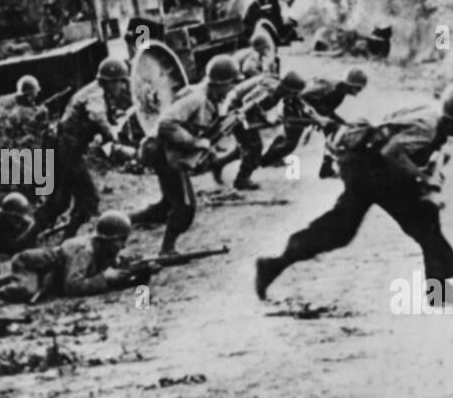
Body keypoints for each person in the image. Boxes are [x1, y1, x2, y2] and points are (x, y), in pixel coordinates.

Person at [253, 84, 453, 302]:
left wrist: (426, 179)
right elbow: (392, 153)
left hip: (369, 165)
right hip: (368, 168)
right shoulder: (427, 127)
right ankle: (273, 265)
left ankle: (439, 287)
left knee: (414, 218)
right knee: (351, 227)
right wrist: (421, 181)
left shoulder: (433, 118)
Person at [130, 54, 240, 254]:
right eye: (231, 84)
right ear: (220, 83)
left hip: (167, 152)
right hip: (165, 153)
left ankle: (127, 220)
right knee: (185, 207)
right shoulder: (196, 99)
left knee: (167, 204)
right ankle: (166, 250)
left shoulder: (211, 97)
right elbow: (166, 124)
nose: (233, 89)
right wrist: (194, 142)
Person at [0, 211, 144, 315]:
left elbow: (104, 263)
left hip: (41, 270)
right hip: (29, 264)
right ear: (107, 239)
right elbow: (73, 286)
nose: (123, 245)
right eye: (120, 240)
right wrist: (104, 279)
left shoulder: (100, 248)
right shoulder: (85, 251)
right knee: (25, 289)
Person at [33, 58, 130, 239]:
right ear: (110, 81)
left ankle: (27, 239)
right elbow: (97, 116)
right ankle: (66, 241)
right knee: (88, 199)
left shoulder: (95, 91)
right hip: (67, 149)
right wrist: (112, 134)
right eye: (120, 82)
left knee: (59, 201)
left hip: (61, 147)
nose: (122, 87)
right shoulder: (96, 94)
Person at [261, 67, 368, 173]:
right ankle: (262, 161)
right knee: (289, 144)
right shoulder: (330, 88)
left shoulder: (339, 92)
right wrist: (314, 115)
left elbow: (327, 110)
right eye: (358, 88)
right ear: (349, 85)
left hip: (305, 113)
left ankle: (326, 169)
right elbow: (301, 95)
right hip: (294, 110)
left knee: (332, 133)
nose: (359, 91)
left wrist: (343, 123)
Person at [220, 70, 306, 192]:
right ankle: (241, 180)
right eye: (293, 93)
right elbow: (248, 102)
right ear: (287, 88)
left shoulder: (278, 87)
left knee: (248, 145)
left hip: (242, 111)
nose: (293, 96)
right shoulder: (270, 88)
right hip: (235, 111)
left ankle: (219, 165)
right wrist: (264, 118)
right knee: (253, 146)